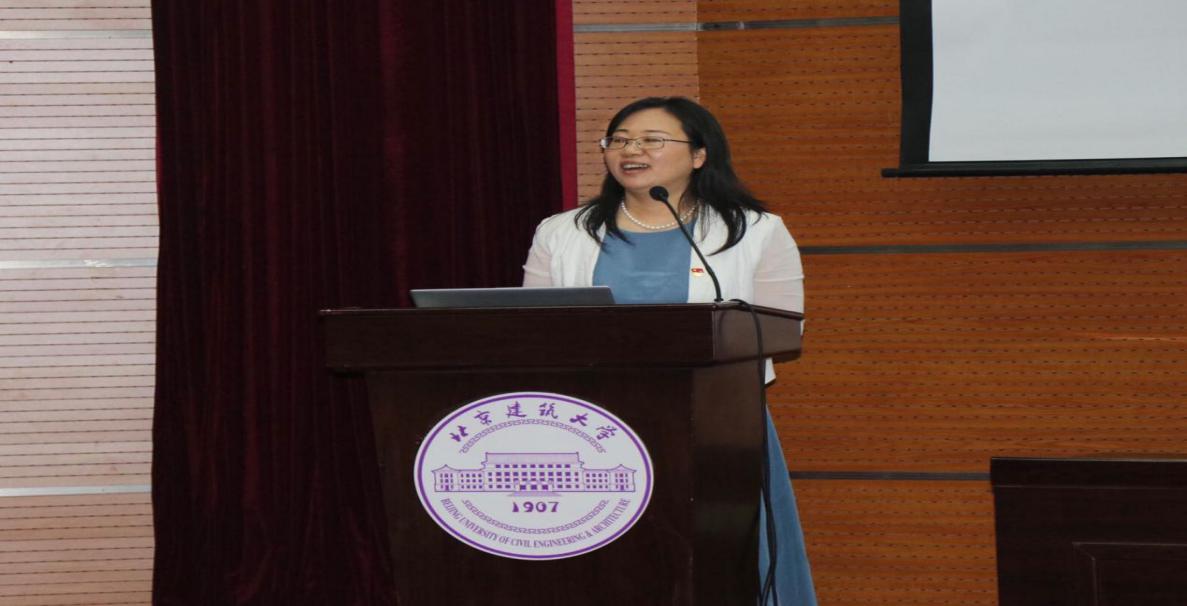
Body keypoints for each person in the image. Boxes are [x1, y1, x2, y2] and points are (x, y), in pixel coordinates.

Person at [522, 96, 816, 604]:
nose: (630, 150)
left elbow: (782, 331)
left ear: (699, 155)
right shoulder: (562, 231)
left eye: (651, 140)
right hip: (590, 421)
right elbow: (530, 328)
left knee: (714, 560)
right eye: (619, 140)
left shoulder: (754, 230)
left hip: (717, 422)